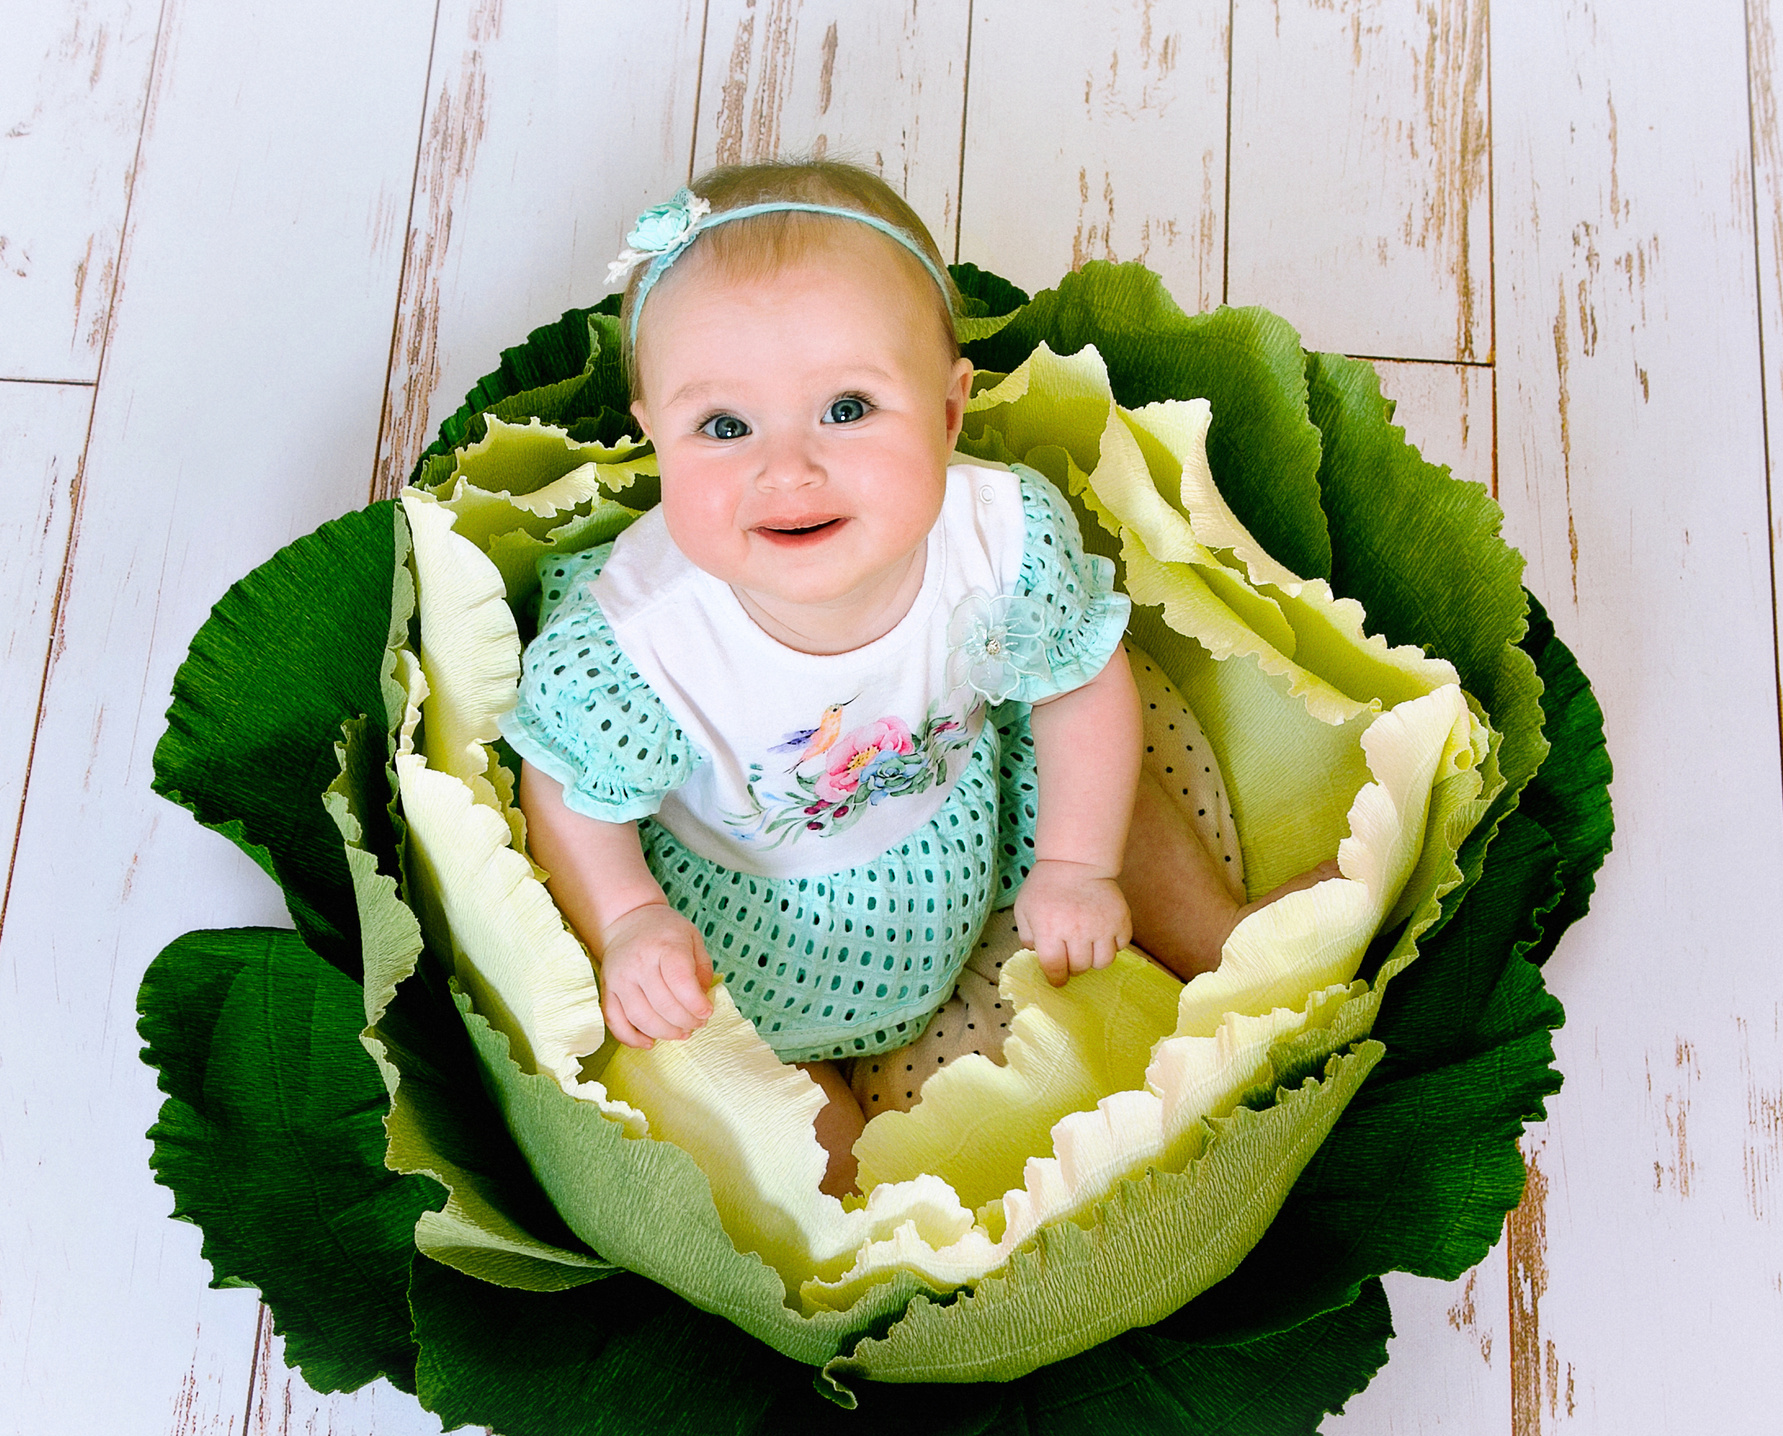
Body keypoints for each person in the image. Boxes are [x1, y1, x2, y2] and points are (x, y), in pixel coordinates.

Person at [500, 160, 1314, 1194]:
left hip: (964, 814)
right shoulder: (644, 640)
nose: (787, 469)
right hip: (740, 922)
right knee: (752, 1105)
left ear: (947, 411)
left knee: (1088, 766)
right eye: (724, 427)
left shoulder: (997, 538)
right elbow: (571, 791)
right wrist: (625, 920)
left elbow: (1077, 689)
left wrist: (1075, 865)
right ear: (653, 431)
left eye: (847, 408)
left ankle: (1219, 935)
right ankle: (859, 1211)